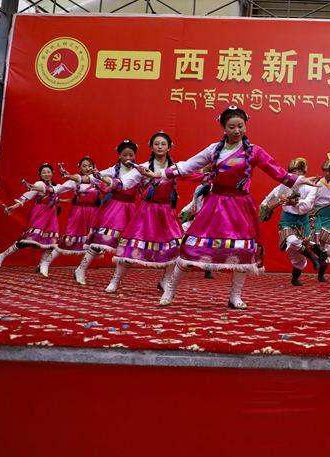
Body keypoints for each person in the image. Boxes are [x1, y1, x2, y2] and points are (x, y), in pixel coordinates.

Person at [137, 106, 317, 309]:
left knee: (242, 252)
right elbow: (188, 166)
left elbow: (276, 171)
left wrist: (300, 180)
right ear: (223, 127)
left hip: (240, 207)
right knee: (191, 249)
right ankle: (170, 290)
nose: (237, 131)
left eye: (241, 126)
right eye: (232, 127)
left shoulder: (254, 151)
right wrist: (159, 174)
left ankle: (235, 296)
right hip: (215, 205)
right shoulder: (214, 149)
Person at [107, 132, 187, 294]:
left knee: (175, 248)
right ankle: (115, 280)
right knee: (131, 247)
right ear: (151, 147)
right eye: (156, 144)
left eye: (163, 144)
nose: (160, 147)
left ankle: (165, 280)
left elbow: (193, 171)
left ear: (169, 147)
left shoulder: (175, 168)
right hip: (147, 212)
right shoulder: (142, 167)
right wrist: (108, 181)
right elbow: (126, 182)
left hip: (167, 213)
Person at [72, 139, 140, 286]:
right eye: (124, 155)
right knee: (101, 241)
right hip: (114, 209)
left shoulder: (138, 170)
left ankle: (115, 280)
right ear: (119, 155)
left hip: (130, 210)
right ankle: (80, 269)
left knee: (127, 246)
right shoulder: (113, 170)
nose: (128, 158)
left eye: (131, 155)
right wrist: (91, 177)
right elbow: (94, 178)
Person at [0, 163, 71, 276]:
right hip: (40, 214)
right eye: (43, 172)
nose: (46, 174)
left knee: (51, 242)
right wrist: (14, 206)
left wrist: (63, 200)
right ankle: (2, 255)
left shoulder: (55, 186)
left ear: (53, 173)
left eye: (48, 172)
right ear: (40, 174)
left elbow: (58, 193)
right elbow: (28, 196)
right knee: (28, 240)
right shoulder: (39, 184)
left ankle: (42, 265)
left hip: (51, 216)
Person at [39, 157, 102, 274]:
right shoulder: (74, 181)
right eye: (84, 166)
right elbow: (58, 189)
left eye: (90, 166)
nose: (87, 168)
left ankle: (80, 271)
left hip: (93, 214)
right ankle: (46, 262)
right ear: (80, 168)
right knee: (68, 239)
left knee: (91, 242)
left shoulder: (98, 180)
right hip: (78, 213)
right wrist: (43, 188)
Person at [261, 157, 318, 287]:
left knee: (296, 254)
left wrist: (295, 202)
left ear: (304, 173)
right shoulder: (284, 185)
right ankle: (312, 257)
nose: (297, 175)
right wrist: (265, 207)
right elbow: (270, 197)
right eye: (294, 171)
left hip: (303, 221)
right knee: (292, 241)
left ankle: (295, 277)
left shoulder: (311, 187)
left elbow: (307, 206)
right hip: (287, 220)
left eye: (300, 172)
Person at [308, 159, 330, 282]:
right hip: (316, 215)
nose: (328, 173)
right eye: (326, 171)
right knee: (313, 241)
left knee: (328, 246)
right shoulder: (318, 183)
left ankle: (321, 274)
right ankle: (318, 258)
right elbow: (310, 199)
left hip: (329, 217)